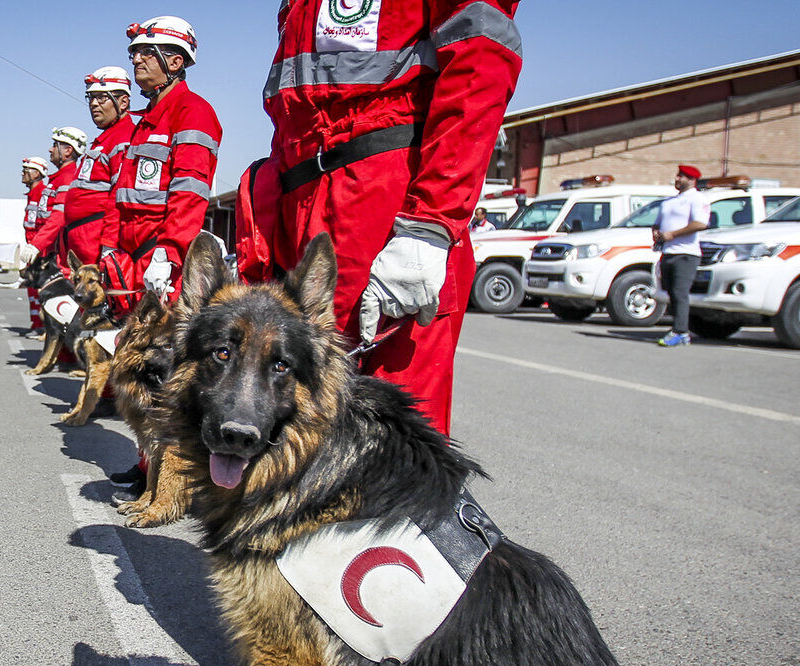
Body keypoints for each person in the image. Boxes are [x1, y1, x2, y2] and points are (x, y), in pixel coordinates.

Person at [237, 0, 522, 437]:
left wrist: (431, 223)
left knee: (390, 413)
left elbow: (479, 63)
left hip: (385, 198)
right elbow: (294, 116)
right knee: (301, 401)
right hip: (303, 198)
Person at [105, 16, 221, 299]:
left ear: (175, 62)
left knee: (161, 342)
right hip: (128, 259)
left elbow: (189, 192)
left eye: (147, 52)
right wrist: (109, 248)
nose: (136, 60)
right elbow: (120, 194)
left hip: (160, 261)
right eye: (134, 53)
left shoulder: (193, 112)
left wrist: (167, 254)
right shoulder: (144, 123)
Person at [65, 67, 135, 273]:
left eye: (102, 98)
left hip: (98, 251)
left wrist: (109, 247)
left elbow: (118, 198)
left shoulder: (123, 139)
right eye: (91, 98)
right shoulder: (104, 140)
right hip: (83, 248)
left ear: (123, 102)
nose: (94, 104)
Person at [653, 165, 710, 347]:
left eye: (682, 177)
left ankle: (680, 331)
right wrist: (656, 232)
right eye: (677, 176)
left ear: (692, 180)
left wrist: (673, 234)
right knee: (671, 293)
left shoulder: (697, 199)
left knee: (680, 293)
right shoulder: (669, 202)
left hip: (686, 253)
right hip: (667, 252)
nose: (677, 179)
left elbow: (700, 223)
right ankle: (678, 328)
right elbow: (658, 223)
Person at [28, 127, 89, 268]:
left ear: (68, 150)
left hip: (59, 254)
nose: (50, 149)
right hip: (49, 249)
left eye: (55, 145)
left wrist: (36, 244)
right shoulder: (58, 179)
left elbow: (58, 217)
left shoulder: (68, 178)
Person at [20, 156, 50, 337]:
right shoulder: (32, 195)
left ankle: (44, 326)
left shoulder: (42, 194)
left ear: (37, 173)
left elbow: (46, 224)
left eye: (26, 170)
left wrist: (39, 249)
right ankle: (36, 323)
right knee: (32, 288)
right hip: (33, 250)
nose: (22, 174)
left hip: (41, 251)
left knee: (41, 289)